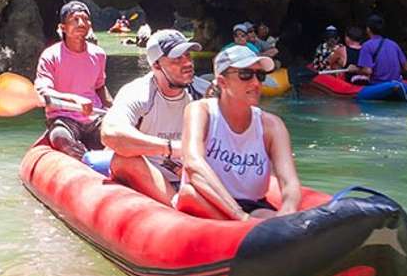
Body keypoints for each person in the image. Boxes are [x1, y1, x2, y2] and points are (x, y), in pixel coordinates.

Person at [175, 44, 302, 221]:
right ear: (222, 82)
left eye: (260, 75)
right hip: (208, 201)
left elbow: (289, 181)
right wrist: (239, 216)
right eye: (245, 75)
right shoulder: (200, 111)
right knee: (189, 194)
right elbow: (193, 164)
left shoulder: (272, 125)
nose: (256, 83)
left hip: (253, 205)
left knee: (271, 218)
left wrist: (288, 213)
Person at [100, 29, 209, 203]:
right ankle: (176, 206)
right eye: (177, 59)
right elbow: (110, 134)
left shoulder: (205, 91)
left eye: (188, 55)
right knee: (124, 159)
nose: (187, 63)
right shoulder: (138, 93)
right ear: (156, 65)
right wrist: (171, 148)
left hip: (193, 173)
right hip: (151, 174)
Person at [36, 0, 110, 156]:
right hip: (63, 117)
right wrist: (75, 100)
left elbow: (100, 87)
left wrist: (116, 108)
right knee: (60, 138)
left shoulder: (99, 54)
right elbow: (43, 92)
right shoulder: (50, 55)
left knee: (116, 135)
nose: (81, 23)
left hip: (94, 118)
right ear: (63, 28)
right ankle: (81, 161)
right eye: (75, 19)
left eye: (85, 19)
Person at [351, 13, 407, 85]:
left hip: (378, 85)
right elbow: (406, 68)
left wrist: (354, 69)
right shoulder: (393, 44)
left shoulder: (367, 46)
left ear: (368, 29)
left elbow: (368, 71)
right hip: (397, 83)